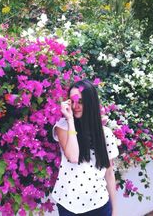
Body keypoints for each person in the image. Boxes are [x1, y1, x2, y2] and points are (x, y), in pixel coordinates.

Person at [51, 79, 119, 216]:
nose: (76, 106)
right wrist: (70, 119)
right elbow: (73, 156)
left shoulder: (104, 134)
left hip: (99, 204)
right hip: (69, 206)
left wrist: (115, 210)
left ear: (90, 102)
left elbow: (109, 173)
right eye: (72, 101)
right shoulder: (63, 127)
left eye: (80, 101)